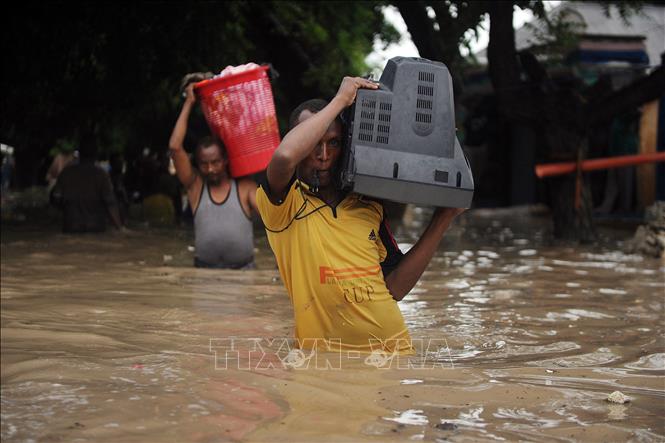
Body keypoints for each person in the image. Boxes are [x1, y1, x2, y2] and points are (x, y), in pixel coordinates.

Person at [256, 77, 465, 354]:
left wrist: (443, 218)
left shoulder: (368, 204)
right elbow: (283, 158)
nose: (323, 155)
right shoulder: (284, 204)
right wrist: (341, 101)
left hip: (393, 354)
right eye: (313, 143)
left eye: (334, 143)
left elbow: (394, 289)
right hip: (324, 361)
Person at [168, 81, 258, 269]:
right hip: (202, 273)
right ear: (198, 165)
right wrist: (189, 103)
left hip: (244, 273)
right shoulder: (196, 186)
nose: (210, 169)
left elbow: (275, 221)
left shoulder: (245, 187)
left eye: (215, 162)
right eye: (204, 164)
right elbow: (175, 148)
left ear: (225, 160)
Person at [51, 138, 124, 233]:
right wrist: (120, 229)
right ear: (96, 153)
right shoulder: (101, 175)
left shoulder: (66, 174)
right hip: (95, 228)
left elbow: (55, 198)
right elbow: (110, 203)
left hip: (72, 227)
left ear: (79, 153)